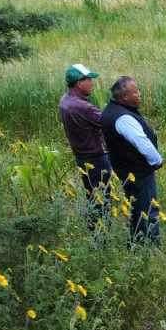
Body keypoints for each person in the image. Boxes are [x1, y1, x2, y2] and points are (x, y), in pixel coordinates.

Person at [102, 75, 166, 244]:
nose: (139, 94)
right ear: (124, 97)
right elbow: (141, 141)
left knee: (136, 208)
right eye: (136, 91)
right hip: (138, 171)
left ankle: (136, 243)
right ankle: (151, 248)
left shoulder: (111, 111)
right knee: (148, 209)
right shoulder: (123, 117)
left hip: (125, 170)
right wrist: (157, 160)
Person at [58, 63, 111, 230]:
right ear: (79, 82)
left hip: (82, 157)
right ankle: (101, 238)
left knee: (92, 196)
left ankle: (95, 232)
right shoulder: (83, 107)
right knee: (101, 199)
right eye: (89, 79)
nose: (92, 83)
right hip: (96, 158)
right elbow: (108, 123)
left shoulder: (65, 100)